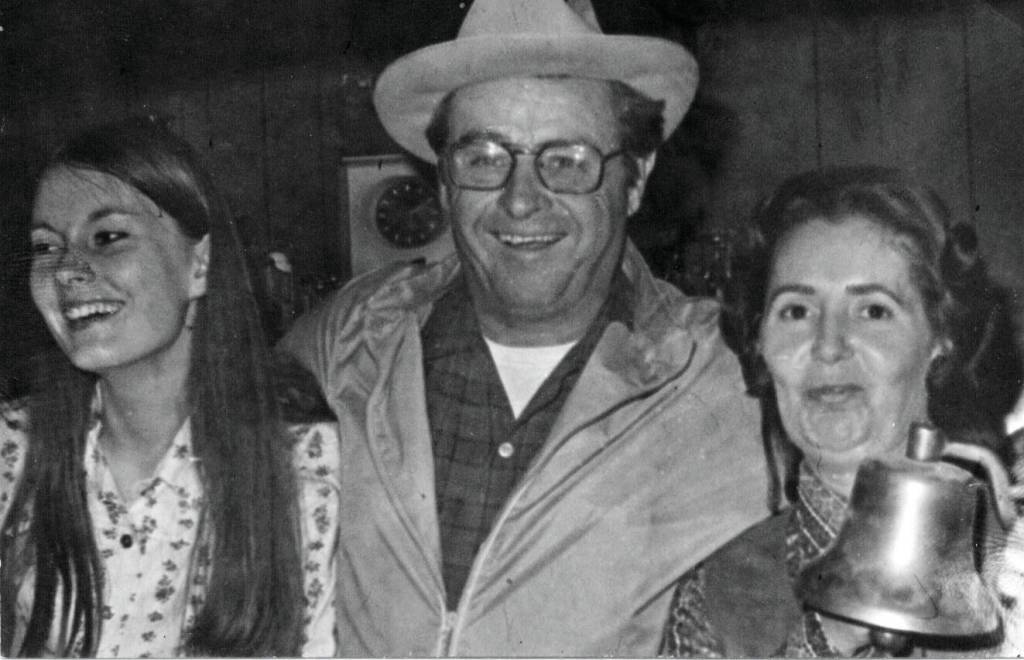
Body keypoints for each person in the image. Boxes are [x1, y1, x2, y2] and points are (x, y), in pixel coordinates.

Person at [278, 0, 770, 655]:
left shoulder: (732, 381)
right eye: (484, 157)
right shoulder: (340, 347)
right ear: (446, 182)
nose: (520, 197)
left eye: (566, 160)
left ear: (635, 178)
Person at [0, 117, 340, 657]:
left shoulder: (303, 462)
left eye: (107, 237)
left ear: (199, 264)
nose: (66, 270)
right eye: (45, 248)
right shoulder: (13, 448)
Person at [659, 165, 1024, 657]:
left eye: (873, 310)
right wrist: (825, 639)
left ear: (942, 336)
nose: (828, 347)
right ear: (759, 340)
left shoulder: (1009, 552)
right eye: (796, 311)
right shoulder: (724, 593)